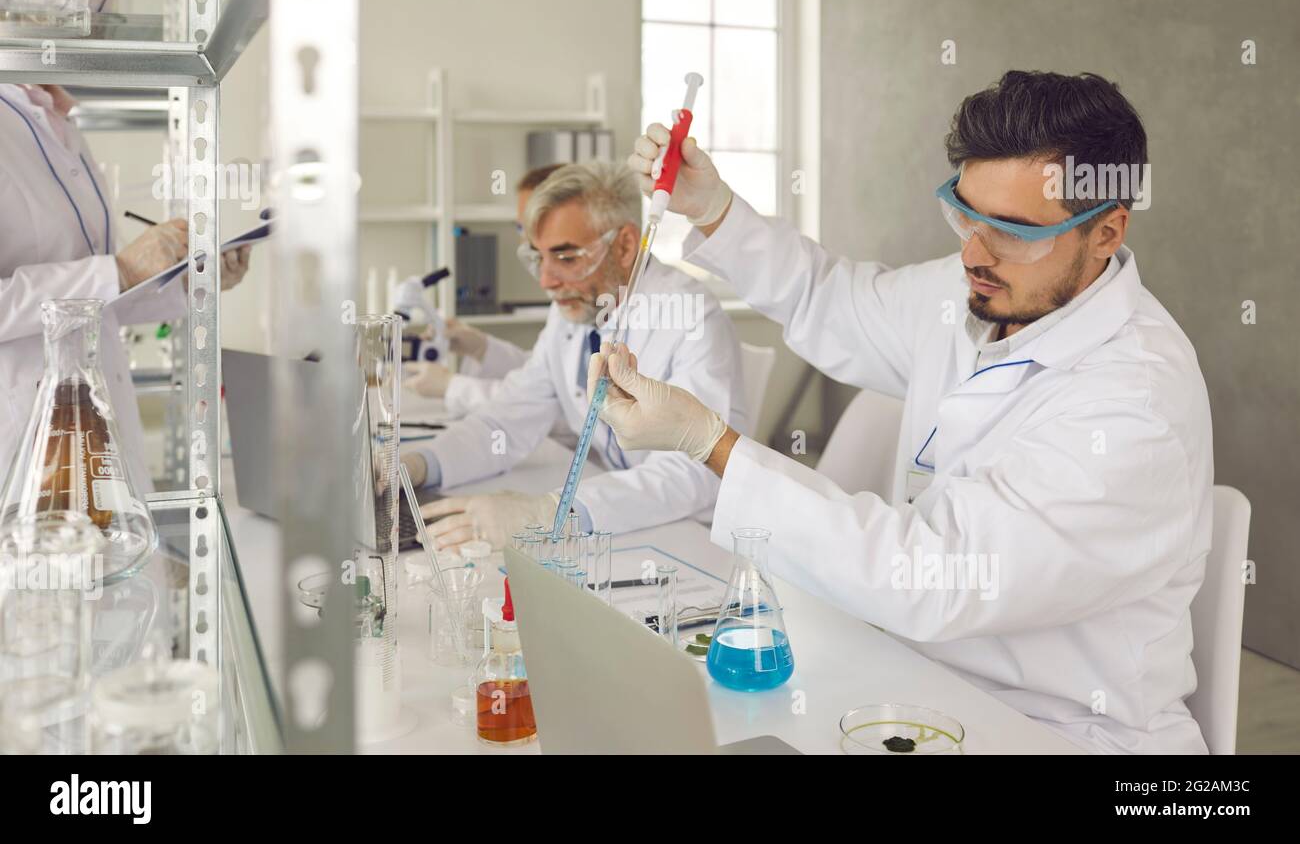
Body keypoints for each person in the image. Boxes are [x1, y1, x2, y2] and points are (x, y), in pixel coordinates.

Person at [601, 70, 1212, 754]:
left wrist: (708, 441)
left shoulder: (1136, 405)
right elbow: (828, 300)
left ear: (1106, 231)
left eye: (1011, 230)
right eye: (966, 213)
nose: (973, 252)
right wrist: (710, 206)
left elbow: (935, 575)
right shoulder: (978, 293)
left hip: (1062, 731)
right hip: (920, 685)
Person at [402, 160, 748, 547]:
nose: (547, 280)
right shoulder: (572, 310)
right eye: (538, 257)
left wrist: (555, 512)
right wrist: (419, 466)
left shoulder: (691, 316)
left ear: (625, 246)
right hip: (613, 524)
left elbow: (692, 471)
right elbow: (510, 416)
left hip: (692, 535)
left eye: (566, 257)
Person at [0, 83, 251, 493]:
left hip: (100, 421)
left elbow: (101, 297)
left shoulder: (62, 123)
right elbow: (104, 277)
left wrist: (190, 284)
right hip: (26, 442)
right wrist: (120, 269)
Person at [405, 163, 564, 415]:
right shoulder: (562, 298)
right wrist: (481, 347)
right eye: (519, 227)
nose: (524, 242)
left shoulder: (592, 300)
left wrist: (451, 387)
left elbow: (550, 405)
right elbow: (540, 373)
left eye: (529, 226)